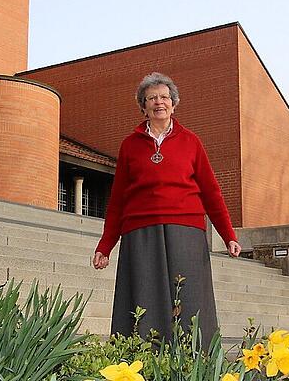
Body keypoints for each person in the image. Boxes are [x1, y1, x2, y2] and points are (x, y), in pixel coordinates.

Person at [92, 72, 242, 350]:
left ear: (173, 103)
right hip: (140, 231)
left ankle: (196, 359)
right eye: (151, 98)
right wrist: (106, 245)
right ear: (143, 106)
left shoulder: (191, 142)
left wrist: (228, 234)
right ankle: (144, 356)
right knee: (144, 299)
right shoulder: (129, 145)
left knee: (191, 299)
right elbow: (117, 200)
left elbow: (211, 192)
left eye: (163, 97)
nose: (158, 102)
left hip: (186, 230)